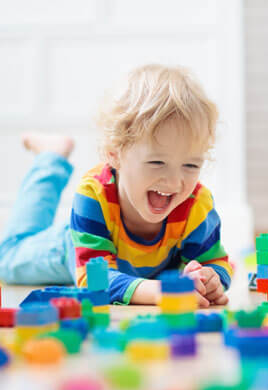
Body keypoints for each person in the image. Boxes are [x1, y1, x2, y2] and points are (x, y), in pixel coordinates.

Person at [0, 65, 232, 307]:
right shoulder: (94, 195)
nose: (175, 182)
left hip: (128, 267)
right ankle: (51, 159)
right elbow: (94, 280)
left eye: (191, 166)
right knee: (7, 260)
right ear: (115, 155)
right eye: (157, 162)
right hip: (71, 247)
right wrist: (158, 292)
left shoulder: (196, 204)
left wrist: (210, 279)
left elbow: (216, 263)